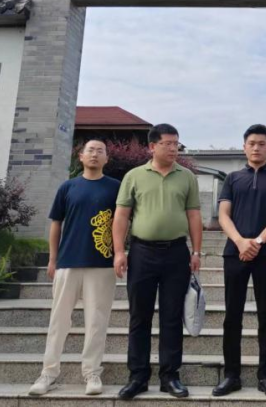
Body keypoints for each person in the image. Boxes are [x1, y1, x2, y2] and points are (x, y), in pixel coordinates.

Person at [112, 124, 203, 400]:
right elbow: (122, 215)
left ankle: (170, 376)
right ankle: (138, 377)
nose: (174, 148)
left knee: (172, 317)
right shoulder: (134, 176)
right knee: (139, 316)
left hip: (177, 253)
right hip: (142, 253)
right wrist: (119, 251)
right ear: (152, 146)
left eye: (177, 143)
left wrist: (196, 251)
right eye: (168, 143)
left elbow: (194, 215)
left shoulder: (187, 176)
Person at [28, 139, 120, 397]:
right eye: (90, 150)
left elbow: (121, 222)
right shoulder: (68, 187)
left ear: (107, 158)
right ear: (80, 156)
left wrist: (119, 253)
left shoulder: (116, 187)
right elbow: (56, 223)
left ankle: (92, 373)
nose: (95, 154)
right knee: (58, 320)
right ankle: (48, 373)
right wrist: (52, 259)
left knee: (97, 321)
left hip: (102, 263)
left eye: (100, 151)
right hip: (67, 262)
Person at [212, 124, 266, 398]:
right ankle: (231, 375)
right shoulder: (233, 178)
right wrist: (240, 242)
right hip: (235, 253)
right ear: (244, 147)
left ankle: (265, 375)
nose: (256, 148)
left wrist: (256, 242)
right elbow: (224, 215)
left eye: (262, 143)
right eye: (252, 143)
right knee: (232, 315)